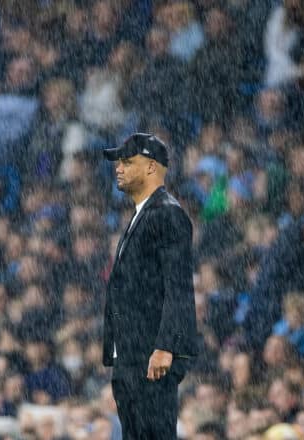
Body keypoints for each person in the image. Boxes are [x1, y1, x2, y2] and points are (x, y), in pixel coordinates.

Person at [101, 133, 198, 439]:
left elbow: (178, 286)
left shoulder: (166, 213)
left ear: (152, 168)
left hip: (149, 354)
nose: (119, 167)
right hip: (133, 354)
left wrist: (166, 347)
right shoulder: (142, 215)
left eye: (128, 162)